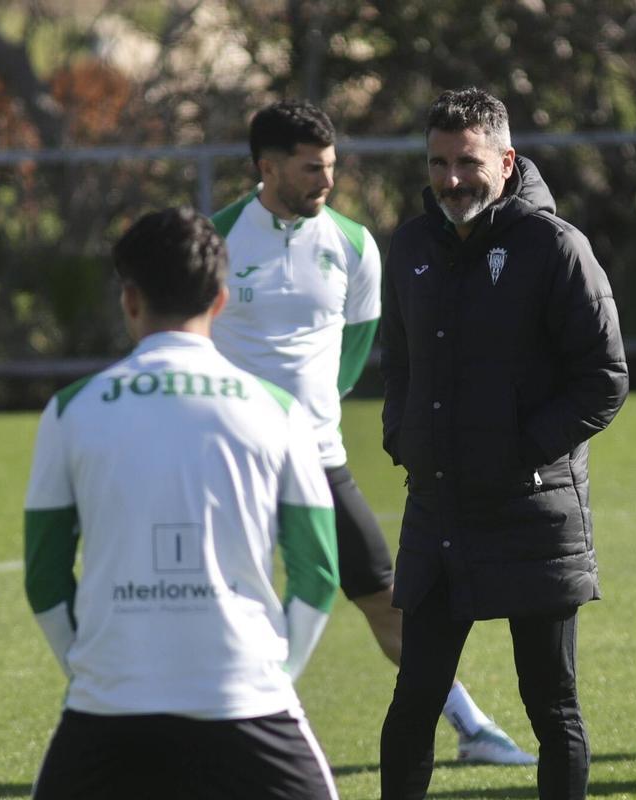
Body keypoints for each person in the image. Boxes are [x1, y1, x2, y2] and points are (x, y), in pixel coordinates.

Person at [209, 99, 534, 766]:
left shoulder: (353, 246)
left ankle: (473, 728)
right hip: (227, 462)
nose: (326, 182)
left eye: (330, 167)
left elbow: (359, 346)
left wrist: (313, 414)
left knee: (386, 598)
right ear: (265, 168)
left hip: (318, 461)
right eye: (310, 170)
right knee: (225, 601)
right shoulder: (215, 242)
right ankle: (213, 738)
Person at [24, 207, 341, 799]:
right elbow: (318, 571)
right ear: (221, 300)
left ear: (130, 299)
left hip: (108, 708)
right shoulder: (278, 410)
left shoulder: (71, 409)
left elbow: (44, 579)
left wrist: (92, 672)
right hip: (247, 702)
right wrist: (276, 674)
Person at [377, 87, 629, 800]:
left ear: (507, 160)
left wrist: (516, 452)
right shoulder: (413, 246)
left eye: (467, 162)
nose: (451, 179)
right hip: (438, 511)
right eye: (437, 163)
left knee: (552, 707)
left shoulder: (555, 247)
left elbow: (604, 379)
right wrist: (403, 437)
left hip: (533, 511)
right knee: (413, 704)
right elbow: (400, 363)